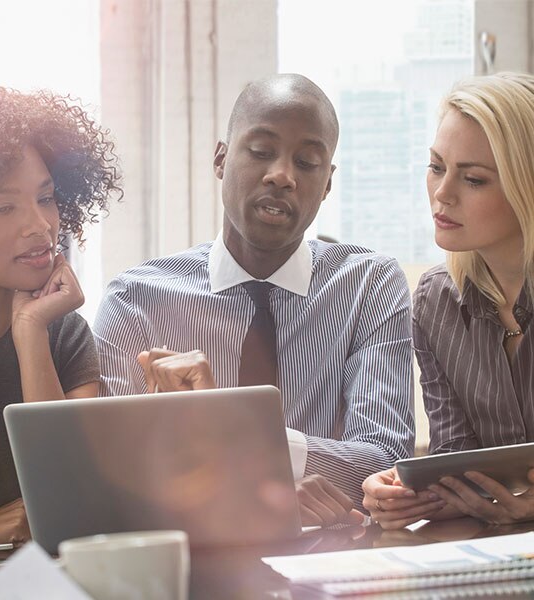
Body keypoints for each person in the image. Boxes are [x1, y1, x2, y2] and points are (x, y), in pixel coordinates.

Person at [94, 73, 414, 526]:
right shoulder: (136, 300)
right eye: (262, 152)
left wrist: (230, 432)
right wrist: (260, 480)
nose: (282, 175)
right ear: (221, 159)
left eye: (306, 162)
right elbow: (116, 479)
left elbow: (386, 465)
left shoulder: (369, 285)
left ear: (327, 184)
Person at [0, 81, 121, 543]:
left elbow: (71, 494)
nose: (40, 226)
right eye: (2, 207)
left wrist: (32, 331)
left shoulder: (64, 333)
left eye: (46, 197)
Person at [363, 71, 534, 528]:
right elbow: (459, 466)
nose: (442, 194)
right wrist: (408, 493)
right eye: (436, 167)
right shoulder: (436, 302)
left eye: (474, 179)